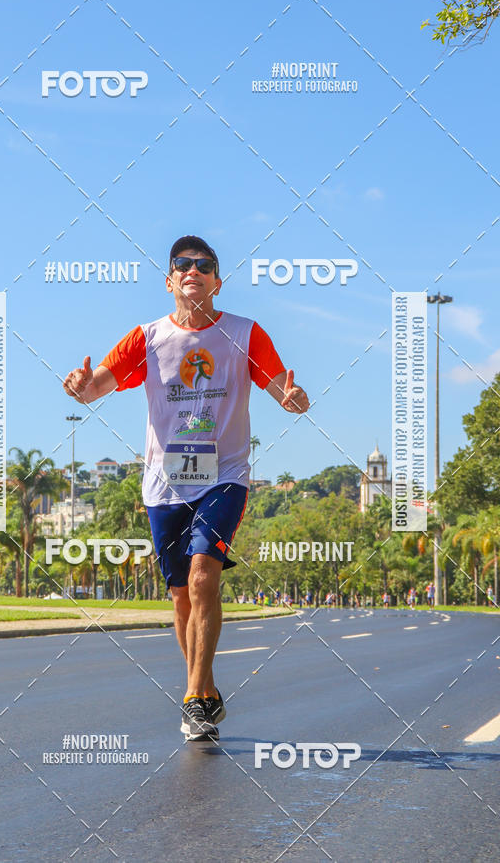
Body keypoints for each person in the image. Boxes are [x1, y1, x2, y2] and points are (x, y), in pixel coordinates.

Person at [63, 235, 309, 741]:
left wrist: (292, 398)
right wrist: (81, 387)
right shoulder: (147, 339)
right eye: (182, 264)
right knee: (179, 595)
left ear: (217, 282)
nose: (192, 269)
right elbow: (96, 388)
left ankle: (194, 700)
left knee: (202, 577)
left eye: (204, 265)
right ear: (170, 280)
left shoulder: (245, 333)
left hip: (224, 476)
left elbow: (280, 387)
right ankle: (207, 690)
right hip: (164, 483)